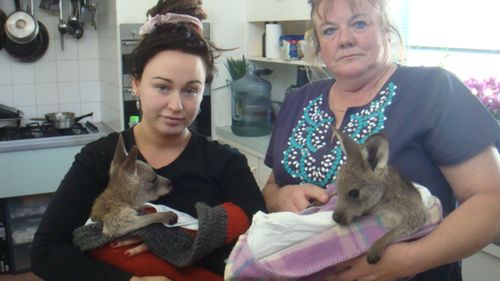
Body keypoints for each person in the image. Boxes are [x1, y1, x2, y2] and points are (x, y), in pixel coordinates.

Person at [262, 0, 500, 280]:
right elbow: (271, 185)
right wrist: (280, 197)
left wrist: (411, 259)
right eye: (329, 31)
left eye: (359, 24)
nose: (345, 40)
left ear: (388, 31)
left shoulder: (433, 91)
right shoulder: (298, 100)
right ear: (318, 44)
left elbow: (492, 200)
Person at [30, 1, 266, 280]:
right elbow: (46, 253)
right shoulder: (99, 158)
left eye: (191, 90)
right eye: (162, 87)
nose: (176, 105)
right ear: (136, 84)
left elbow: (262, 242)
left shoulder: (226, 163)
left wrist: (175, 240)